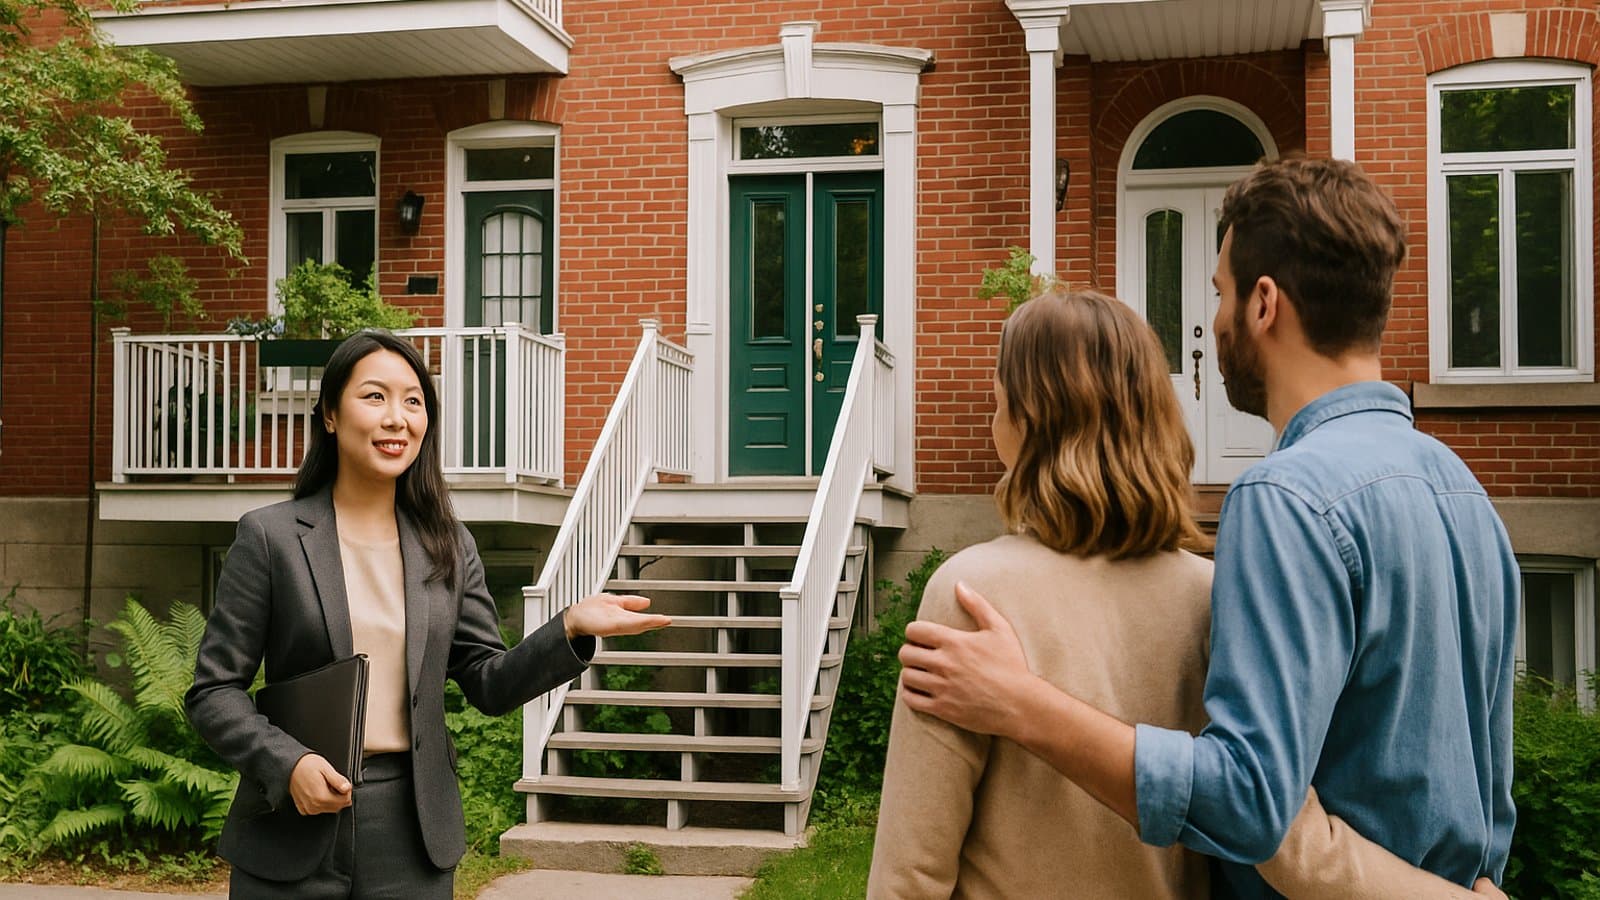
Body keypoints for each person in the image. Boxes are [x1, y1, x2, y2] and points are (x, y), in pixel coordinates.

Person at [896, 158, 1517, 897]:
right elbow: (1489, 795)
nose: (1212, 322)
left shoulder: (1284, 498)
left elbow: (1250, 804)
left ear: (1264, 304)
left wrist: (1024, 703)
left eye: (1219, 294)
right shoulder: (1466, 491)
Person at [186, 330, 671, 898]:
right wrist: (288, 764)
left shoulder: (449, 545)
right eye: (375, 397)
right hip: (291, 826)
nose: (397, 418)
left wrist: (568, 627)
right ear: (329, 417)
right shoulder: (270, 538)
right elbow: (214, 692)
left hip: (411, 832)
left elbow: (488, 683)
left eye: (413, 401)